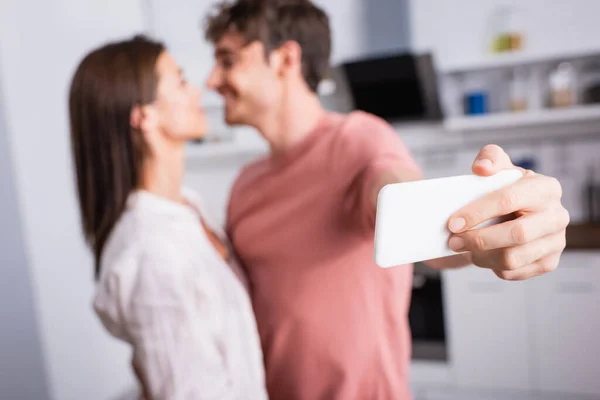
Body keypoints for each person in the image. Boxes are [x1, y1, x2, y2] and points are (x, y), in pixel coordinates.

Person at [203, 1, 570, 399]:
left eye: (227, 60)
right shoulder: (245, 184)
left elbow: (413, 214)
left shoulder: (361, 140)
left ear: (285, 59)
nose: (211, 80)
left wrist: (493, 220)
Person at [68, 35, 268, 400]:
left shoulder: (186, 208)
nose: (198, 90)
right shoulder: (151, 253)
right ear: (144, 116)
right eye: (180, 80)